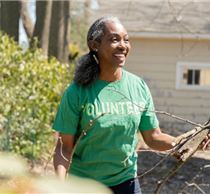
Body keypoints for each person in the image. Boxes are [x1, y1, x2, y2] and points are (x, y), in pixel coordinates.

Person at [52, 16, 210, 194]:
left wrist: (189, 141)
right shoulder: (77, 92)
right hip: (84, 184)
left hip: (125, 181)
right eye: (114, 39)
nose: (122, 45)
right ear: (94, 45)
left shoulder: (138, 86)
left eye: (126, 39)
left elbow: (153, 137)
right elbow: (64, 147)